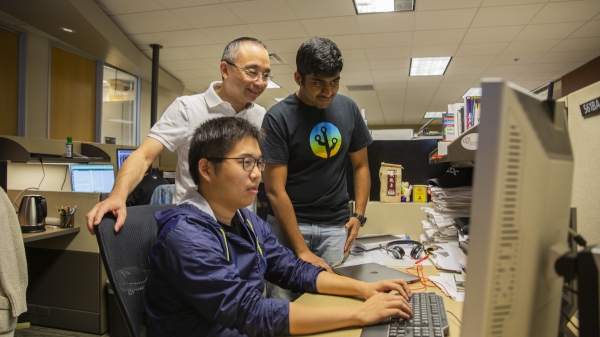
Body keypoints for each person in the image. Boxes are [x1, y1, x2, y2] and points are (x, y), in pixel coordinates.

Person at [143, 117, 412, 336]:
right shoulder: (187, 238)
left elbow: (292, 270)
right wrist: (359, 313)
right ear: (206, 168)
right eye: (246, 162)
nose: (257, 173)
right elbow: (251, 312)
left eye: (259, 162)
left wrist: (363, 289)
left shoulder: (245, 220)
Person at [86, 37, 271, 234]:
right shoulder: (187, 108)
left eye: (266, 75)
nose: (260, 82)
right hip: (195, 227)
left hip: (241, 227)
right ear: (225, 70)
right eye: (252, 72)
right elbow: (144, 156)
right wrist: (117, 196)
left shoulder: (260, 115)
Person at [260, 37, 372, 300]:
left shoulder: (349, 109)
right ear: (299, 78)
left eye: (334, 82)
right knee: (282, 309)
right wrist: (300, 250)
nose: (328, 91)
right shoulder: (278, 117)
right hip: (288, 228)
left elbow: (361, 165)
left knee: (331, 307)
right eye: (319, 83)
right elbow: (275, 190)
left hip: (335, 228)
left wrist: (359, 215)